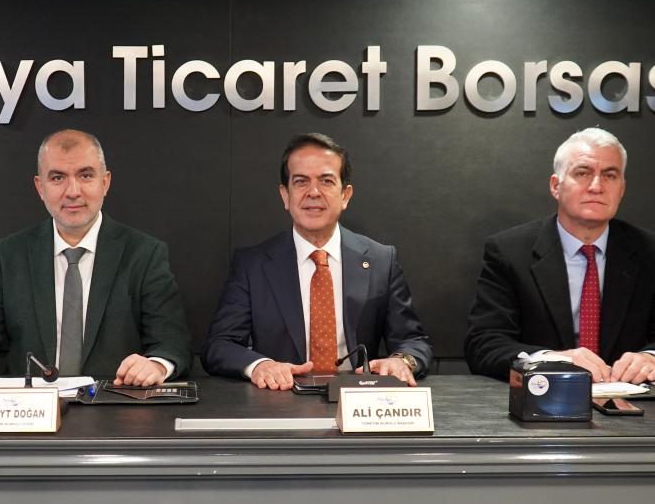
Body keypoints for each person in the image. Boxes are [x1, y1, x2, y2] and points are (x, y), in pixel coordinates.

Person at [0, 129, 191, 385]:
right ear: (40, 187)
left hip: (114, 405)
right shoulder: (9, 254)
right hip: (31, 411)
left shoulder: (144, 253)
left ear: (105, 182)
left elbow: (172, 343)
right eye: (58, 178)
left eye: (85, 175)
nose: (73, 191)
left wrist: (156, 365)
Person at [201, 133, 433, 390]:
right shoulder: (252, 265)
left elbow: (413, 341)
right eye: (301, 182)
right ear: (285, 196)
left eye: (326, 181)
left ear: (345, 195)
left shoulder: (381, 260)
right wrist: (260, 366)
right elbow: (219, 345)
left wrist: (401, 361)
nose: (313, 192)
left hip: (357, 400)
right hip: (280, 400)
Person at [465, 127, 655, 384]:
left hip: (632, 400)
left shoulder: (649, 252)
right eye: (583, 173)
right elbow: (484, 343)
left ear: (621, 189)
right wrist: (550, 360)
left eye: (610, 175)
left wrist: (651, 357)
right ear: (556, 186)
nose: (597, 186)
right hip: (542, 397)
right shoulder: (509, 251)